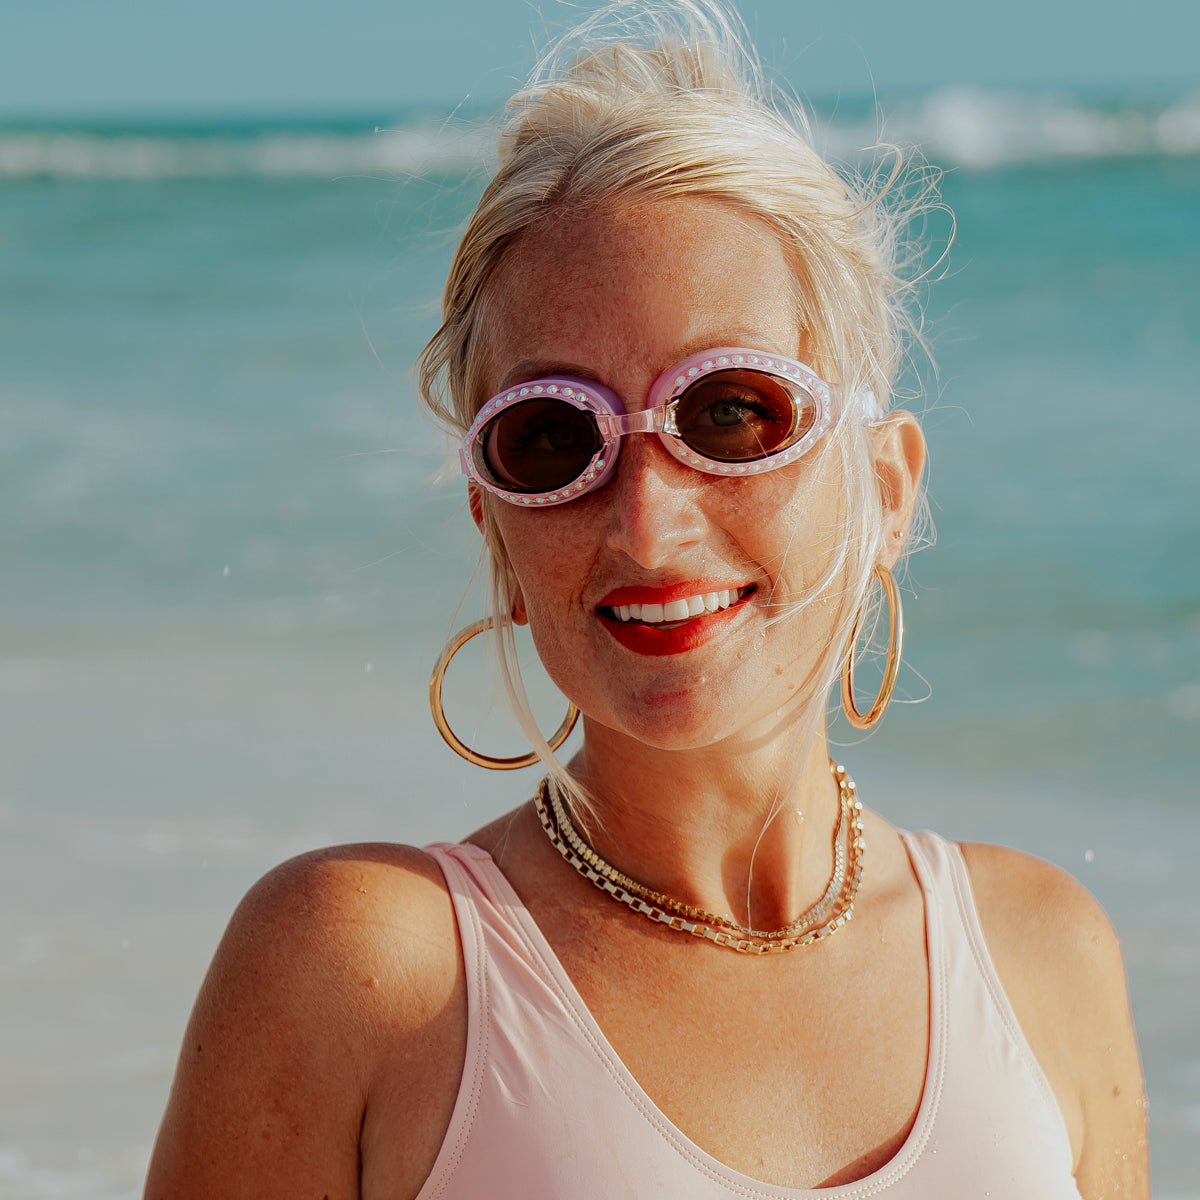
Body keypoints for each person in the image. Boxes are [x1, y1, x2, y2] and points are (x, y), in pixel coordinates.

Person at [144, 3, 1148, 1196]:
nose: (646, 520)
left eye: (730, 410)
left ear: (885, 487)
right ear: (499, 536)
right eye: (551, 439)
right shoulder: (368, 970)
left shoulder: (1042, 956)